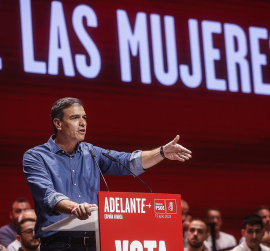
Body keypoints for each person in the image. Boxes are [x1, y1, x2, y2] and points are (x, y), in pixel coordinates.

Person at [23, 97, 192, 251]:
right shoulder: (36, 156)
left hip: (95, 243)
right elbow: (47, 195)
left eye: (84, 117)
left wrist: (162, 152)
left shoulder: (92, 152)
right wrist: (74, 207)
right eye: (75, 118)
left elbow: (128, 162)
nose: (82, 123)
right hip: (58, 244)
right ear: (58, 124)